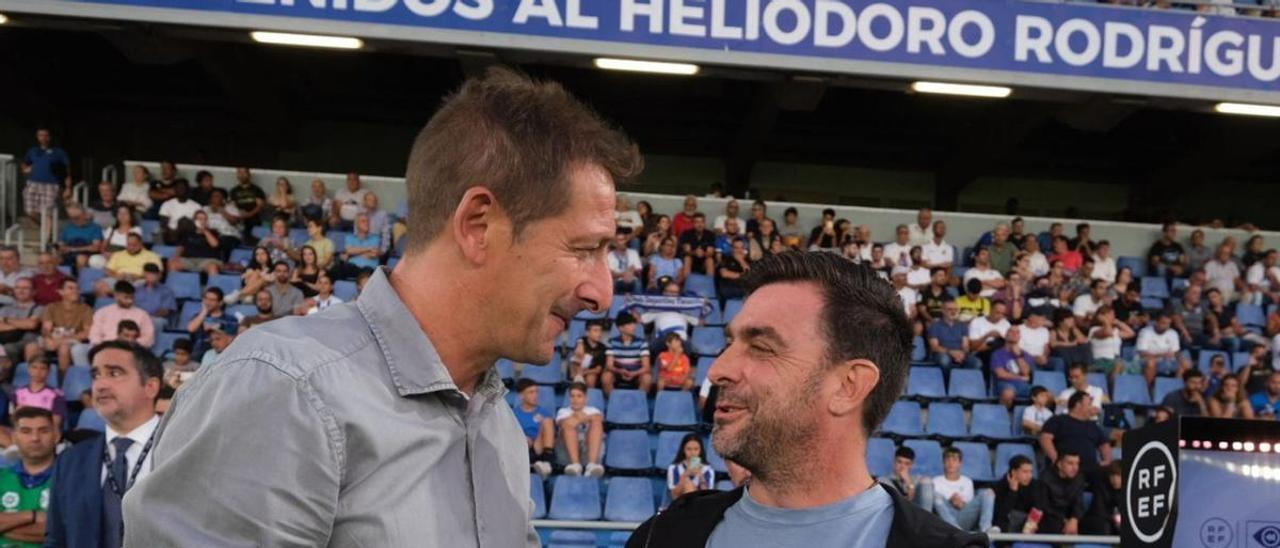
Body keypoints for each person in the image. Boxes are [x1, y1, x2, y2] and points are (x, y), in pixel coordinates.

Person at [127, 69, 640, 546]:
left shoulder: (497, 423)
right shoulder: (286, 391)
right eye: (583, 249)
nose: (602, 292)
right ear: (478, 225)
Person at [628, 252, 988, 548]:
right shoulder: (662, 537)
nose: (718, 369)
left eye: (762, 348)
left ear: (849, 386)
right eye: (728, 344)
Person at [47, 340, 162, 548]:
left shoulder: (187, 453)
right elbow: (56, 540)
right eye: (96, 375)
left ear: (150, 387)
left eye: (114, 373)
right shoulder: (70, 461)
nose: (100, 385)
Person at [0, 406, 58, 547]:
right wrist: (32, 515)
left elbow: (62, 530)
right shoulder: (1, 477)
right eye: (26, 431)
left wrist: (7, 524)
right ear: (14, 437)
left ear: (56, 435)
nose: (35, 438)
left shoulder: (73, 479)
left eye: (43, 431)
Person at [24, 279, 91, 373]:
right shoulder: (51, 307)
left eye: (77, 288)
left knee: (64, 348)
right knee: (31, 347)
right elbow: (46, 328)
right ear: (61, 292)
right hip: (53, 337)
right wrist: (48, 339)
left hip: (72, 339)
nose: (75, 291)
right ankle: (32, 380)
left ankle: (63, 381)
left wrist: (60, 341)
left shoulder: (86, 309)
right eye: (70, 288)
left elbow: (86, 332)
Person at [1041, 392, 1111, 472]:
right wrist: (1055, 459)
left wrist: (1107, 461)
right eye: (1089, 404)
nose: (1092, 407)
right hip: (1064, 470)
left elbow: (1104, 444)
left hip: (1090, 470)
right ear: (1078, 405)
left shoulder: (1093, 425)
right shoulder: (1058, 420)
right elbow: (1045, 438)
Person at [932, 447, 996, 534]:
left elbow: (969, 506)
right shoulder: (936, 481)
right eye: (948, 460)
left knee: (988, 492)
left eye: (954, 460)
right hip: (946, 520)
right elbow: (937, 507)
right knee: (936, 496)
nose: (951, 463)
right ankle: (954, 527)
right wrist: (950, 500)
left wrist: (960, 503)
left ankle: (985, 529)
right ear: (943, 462)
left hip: (964, 516)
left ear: (960, 463)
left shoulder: (967, 481)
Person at [21, 128, 72, 226]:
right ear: (37, 137)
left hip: (51, 185)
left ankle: (48, 237)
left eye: (46, 135)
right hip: (33, 184)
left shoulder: (58, 152)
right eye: (40, 135)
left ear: (49, 137)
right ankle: (47, 229)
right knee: (29, 211)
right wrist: (25, 169)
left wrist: (68, 188)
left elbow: (67, 171)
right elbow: (24, 164)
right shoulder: (33, 151)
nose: (43, 138)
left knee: (48, 212)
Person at [1029, 451, 1087, 535]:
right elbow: (1043, 506)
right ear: (1059, 464)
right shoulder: (1045, 478)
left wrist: (1074, 519)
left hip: (1069, 517)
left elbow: (1078, 503)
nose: (1075, 468)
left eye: (1077, 464)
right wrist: (1064, 521)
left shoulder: (1079, 479)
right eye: (1070, 463)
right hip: (1049, 517)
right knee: (1053, 524)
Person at [557, 382, 606, 478]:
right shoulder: (563, 411)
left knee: (597, 424)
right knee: (567, 427)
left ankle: (592, 465)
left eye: (579, 396)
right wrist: (586, 418)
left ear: (585, 398)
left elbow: (599, 418)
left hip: (588, 451)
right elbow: (565, 424)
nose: (575, 399)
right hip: (567, 454)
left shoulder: (594, 410)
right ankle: (575, 465)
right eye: (572, 396)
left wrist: (576, 418)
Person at [87, 281, 155, 349]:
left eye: (132, 298)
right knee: (80, 349)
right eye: (126, 298)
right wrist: (100, 347)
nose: (130, 301)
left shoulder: (142, 314)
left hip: (131, 348)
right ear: (116, 296)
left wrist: (132, 343)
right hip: (106, 347)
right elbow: (95, 334)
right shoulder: (102, 312)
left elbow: (148, 338)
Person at [603, 313, 652, 396]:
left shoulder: (642, 343)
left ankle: (638, 403)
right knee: (606, 377)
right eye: (629, 324)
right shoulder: (611, 342)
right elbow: (609, 365)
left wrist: (634, 373)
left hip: (636, 374)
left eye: (633, 324)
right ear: (621, 328)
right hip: (618, 374)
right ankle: (614, 403)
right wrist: (620, 371)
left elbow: (646, 367)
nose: (634, 327)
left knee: (647, 378)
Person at [0, 279, 44, 373]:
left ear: (34, 292)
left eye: (25, 288)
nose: (20, 291)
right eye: (17, 288)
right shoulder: (5, 308)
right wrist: (21, 324)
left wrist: (6, 320)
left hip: (27, 340)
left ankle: (9, 379)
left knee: (8, 348)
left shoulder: (39, 308)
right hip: (5, 339)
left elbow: (31, 324)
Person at [1136, 312, 1191, 386]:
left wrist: (1180, 357)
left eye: (1168, 324)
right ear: (1156, 322)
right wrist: (1162, 355)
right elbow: (1142, 353)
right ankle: (1146, 389)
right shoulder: (1145, 332)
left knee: (1185, 363)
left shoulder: (1173, 333)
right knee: (1151, 362)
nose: (1166, 326)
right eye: (1163, 323)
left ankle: (1175, 388)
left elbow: (1175, 352)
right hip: (1145, 360)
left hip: (1166, 361)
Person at [12, 356, 67, 428]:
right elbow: (13, 418)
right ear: (29, 369)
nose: (38, 372)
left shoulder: (56, 395)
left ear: (49, 371)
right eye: (34, 367)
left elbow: (55, 423)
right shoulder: (17, 393)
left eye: (43, 368)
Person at [184, 287, 238, 357]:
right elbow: (190, 329)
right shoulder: (199, 317)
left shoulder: (230, 319)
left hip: (222, 352)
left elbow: (232, 337)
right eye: (206, 298)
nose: (208, 302)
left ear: (220, 303)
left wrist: (217, 328)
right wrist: (204, 312)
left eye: (212, 300)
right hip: (200, 350)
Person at [878, 446, 933, 512]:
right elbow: (899, 503)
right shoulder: (884, 480)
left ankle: (925, 520)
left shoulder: (917, 479)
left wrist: (909, 482)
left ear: (911, 465)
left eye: (907, 464)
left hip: (917, 513)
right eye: (899, 462)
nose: (902, 467)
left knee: (927, 481)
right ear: (894, 462)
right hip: (898, 513)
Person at [927, 300, 979, 369]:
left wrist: (961, 354)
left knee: (977, 363)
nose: (953, 312)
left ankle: (963, 379)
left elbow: (965, 346)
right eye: (950, 309)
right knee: (944, 360)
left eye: (955, 309)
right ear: (943, 310)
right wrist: (951, 352)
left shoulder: (962, 325)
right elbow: (934, 347)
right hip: (942, 353)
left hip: (960, 353)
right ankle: (948, 379)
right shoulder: (935, 326)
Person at [991, 454, 1036, 534]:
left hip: (1028, 526)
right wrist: (1013, 491)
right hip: (1006, 526)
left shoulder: (1035, 485)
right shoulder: (1001, 486)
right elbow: (1002, 513)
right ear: (1013, 472)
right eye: (1025, 472)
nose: (1029, 476)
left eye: (1031, 472)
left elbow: (1036, 510)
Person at [990, 326, 1032, 407]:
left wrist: (1018, 356)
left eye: (1017, 332)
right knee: (1008, 393)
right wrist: (1020, 378)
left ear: (1020, 337)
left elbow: (1025, 372)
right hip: (1004, 384)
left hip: (1022, 386)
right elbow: (1001, 374)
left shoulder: (1025, 354)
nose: (1014, 334)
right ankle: (1002, 415)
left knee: (1043, 394)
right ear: (1005, 335)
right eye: (1011, 331)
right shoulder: (997, 354)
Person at [668, 433, 717, 501]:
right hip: (679, 503)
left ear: (700, 450)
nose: (692, 453)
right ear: (683, 450)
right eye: (689, 449)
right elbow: (674, 495)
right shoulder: (674, 468)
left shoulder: (708, 469)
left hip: (700, 504)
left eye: (696, 449)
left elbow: (707, 495)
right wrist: (684, 475)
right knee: (687, 482)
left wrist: (701, 477)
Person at [1088, 305, 1133, 377]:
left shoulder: (1115, 331)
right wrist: (1105, 321)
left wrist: (1118, 322)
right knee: (1118, 365)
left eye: (1113, 314)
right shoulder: (1094, 330)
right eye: (1110, 315)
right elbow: (1108, 333)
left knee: (1135, 367)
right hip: (1101, 360)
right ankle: (1114, 387)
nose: (1113, 317)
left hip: (1116, 359)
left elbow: (1131, 333)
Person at [1081, 462, 1124, 536]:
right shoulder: (1101, 488)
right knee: (1103, 524)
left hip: (1114, 521)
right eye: (1112, 476)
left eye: (1118, 476)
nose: (1115, 480)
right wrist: (1115, 518)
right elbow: (1099, 511)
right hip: (1097, 522)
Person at [57, 204, 103, 270]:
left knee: (80, 258)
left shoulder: (94, 228)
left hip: (86, 255)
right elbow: (61, 245)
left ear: (84, 215)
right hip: (68, 255)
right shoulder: (68, 228)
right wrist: (61, 248)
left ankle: (79, 279)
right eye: (71, 218)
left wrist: (73, 249)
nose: (73, 220)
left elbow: (95, 247)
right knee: (52, 259)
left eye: (76, 217)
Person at [228, 167, 266, 241]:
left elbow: (260, 206)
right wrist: (240, 213)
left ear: (249, 175)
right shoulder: (233, 191)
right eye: (239, 172)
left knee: (252, 224)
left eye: (244, 172)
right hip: (239, 218)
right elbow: (232, 206)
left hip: (253, 218)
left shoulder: (257, 189)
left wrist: (249, 214)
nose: (242, 175)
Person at [570, 320, 608, 387]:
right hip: (578, 369)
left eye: (600, 330)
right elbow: (576, 358)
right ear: (587, 333)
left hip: (592, 372)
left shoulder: (602, 348)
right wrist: (580, 343)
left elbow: (598, 369)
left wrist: (584, 373)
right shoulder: (581, 342)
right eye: (595, 331)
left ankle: (589, 396)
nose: (599, 333)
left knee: (591, 378)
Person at [608, 229, 643, 295]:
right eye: (620, 240)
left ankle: (638, 304)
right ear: (615, 243)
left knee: (638, 284)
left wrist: (633, 272)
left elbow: (639, 270)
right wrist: (623, 274)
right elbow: (610, 274)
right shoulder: (610, 255)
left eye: (624, 239)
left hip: (632, 279)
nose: (623, 242)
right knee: (611, 285)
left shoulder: (633, 253)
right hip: (617, 280)